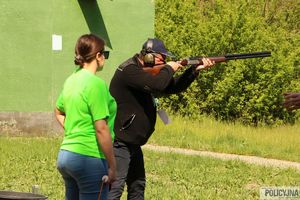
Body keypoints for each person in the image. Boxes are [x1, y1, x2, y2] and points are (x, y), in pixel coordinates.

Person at [108, 38, 215, 200]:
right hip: (120, 142)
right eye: (161, 59)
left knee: (137, 186)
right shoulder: (129, 71)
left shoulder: (144, 71)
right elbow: (158, 85)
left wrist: (193, 71)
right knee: (115, 188)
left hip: (133, 142)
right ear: (148, 56)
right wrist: (169, 68)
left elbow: (171, 87)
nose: (164, 62)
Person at [54, 34, 116, 200]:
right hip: (90, 158)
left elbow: (58, 111)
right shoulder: (96, 84)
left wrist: (73, 130)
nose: (105, 58)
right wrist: (112, 165)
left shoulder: (71, 80)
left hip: (66, 156)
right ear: (98, 56)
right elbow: (101, 128)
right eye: (105, 54)